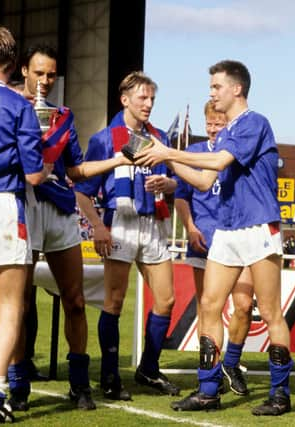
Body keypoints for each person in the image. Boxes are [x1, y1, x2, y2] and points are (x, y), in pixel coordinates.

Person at [135, 60, 293, 416]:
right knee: (208, 305)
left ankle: (280, 393)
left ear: (236, 89)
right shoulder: (227, 132)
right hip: (228, 228)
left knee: (268, 310)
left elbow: (219, 162)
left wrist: (168, 152)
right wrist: (167, 160)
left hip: (258, 226)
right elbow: (206, 181)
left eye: (216, 87)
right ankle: (208, 390)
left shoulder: (255, 122)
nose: (211, 93)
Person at [7, 44, 131, 412]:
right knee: (19, 304)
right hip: (22, 207)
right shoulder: (11, 109)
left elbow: (75, 171)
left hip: (60, 209)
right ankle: (17, 386)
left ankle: (79, 385)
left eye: (50, 75)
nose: (45, 80)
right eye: (39, 73)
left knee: (75, 301)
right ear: (24, 72)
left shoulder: (63, 117)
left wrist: (115, 161)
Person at [74, 71, 180, 401]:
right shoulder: (106, 138)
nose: (148, 104)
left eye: (151, 99)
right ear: (125, 100)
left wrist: (168, 185)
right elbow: (81, 191)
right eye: (142, 98)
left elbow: (176, 182)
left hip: (153, 223)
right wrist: (98, 226)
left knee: (166, 299)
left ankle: (148, 368)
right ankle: (109, 377)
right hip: (119, 221)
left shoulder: (159, 137)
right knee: (115, 301)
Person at [174, 100, 253, 396]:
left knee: (244, 305)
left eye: (219, 123)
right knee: (208, 307)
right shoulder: (194, 152)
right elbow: (181, 196)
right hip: (203, 241)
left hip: (236, 238)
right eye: (209, 123)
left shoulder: (237, 150)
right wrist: (191, 228)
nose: (213, 128)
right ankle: (209, 371)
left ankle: (231, 363)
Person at [0, 25, 50, 423]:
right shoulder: (19, 107)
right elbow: (33, 176)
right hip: (4, 206)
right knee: (11, 306)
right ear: (14, 64)